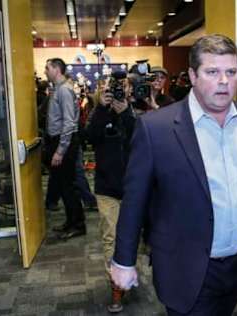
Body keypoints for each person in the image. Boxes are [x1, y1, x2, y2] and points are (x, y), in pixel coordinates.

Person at [110, 34, 237, 316]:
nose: (224, 81)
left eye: (231, 72)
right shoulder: (156, 129)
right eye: (212, 72)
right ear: (192, 75)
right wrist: (123, 260)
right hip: (187, 268)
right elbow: (134, 201)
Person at [85, 76, 136, 313]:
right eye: (112, 88)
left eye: (121, 87)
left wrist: (125, 112)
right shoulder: (99, 111)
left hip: (133, 186)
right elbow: (89, 139)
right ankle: (116, 286)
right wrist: (101, 109)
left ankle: (128, 273)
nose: (116, 91)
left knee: (133, 236)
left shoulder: (136, 110)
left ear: (128, 88)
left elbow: (140, 139)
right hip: (106, 186)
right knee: (110, 238)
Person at [44, 58, 86, 240]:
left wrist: (60, 150)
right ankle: (71, 222)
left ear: (56, 69)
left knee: (68, 186)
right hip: (59, 141)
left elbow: (69, 123)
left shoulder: (65, 90)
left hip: (64, 143)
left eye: (47, 68)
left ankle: (78, 225)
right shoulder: (59, 89)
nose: (45, 71)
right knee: (63, 185)